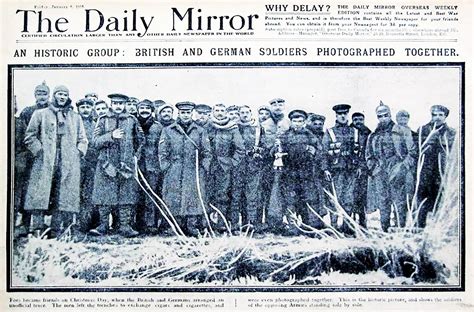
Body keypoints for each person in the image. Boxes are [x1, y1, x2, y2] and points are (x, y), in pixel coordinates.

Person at [24, 85, 88, 237]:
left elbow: (83, 139)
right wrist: (39, 151)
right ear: (54, 95)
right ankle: (37, 229)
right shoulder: (40, 114)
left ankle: (56, 230)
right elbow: (29, 136)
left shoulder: (75, 117)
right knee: (41, 194)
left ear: (67, 97)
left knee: (63, 195)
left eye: (65, 94)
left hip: (68, 162)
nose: (62, 97)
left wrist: (78, 152)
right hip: (45, 160)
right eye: (59, 94)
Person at [90, 93, 144, 237]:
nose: (118, 106)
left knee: (126, 196)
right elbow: (94, 141)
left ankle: (125, 226)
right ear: (111, 104)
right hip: (106, 165)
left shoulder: (132, 120)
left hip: (126, 165)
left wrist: (134, 157)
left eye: (121, 104)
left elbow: (140, 141)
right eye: (115, 103)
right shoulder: (103, 120)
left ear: (125, 105)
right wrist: (111, 136)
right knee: (104, 196)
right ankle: (103, 226)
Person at [159, 102, 211, 236]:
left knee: (193, 198)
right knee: (173, 197)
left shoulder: (200, 131)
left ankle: (191, 225)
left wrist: (203, 169)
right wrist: (166, 167)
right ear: (179, 114)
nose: (185, 115)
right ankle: (176, 226)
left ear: (191, 113)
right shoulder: (168, 130)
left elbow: (207, 153)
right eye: (183, 112)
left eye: (188, 112)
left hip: (193, 170)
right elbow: (162, 151)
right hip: (174, 170)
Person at [365, 103, 416, 232]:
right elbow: (368, 155)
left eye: (385, 115)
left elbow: (412, 152)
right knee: (383, 201)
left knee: (399, 201)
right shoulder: (373, 135)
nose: (383, 119)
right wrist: (374, 168)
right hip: (380, 171)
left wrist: (402, 167)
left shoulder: (401, 131)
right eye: (380, 116)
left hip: (397, 169)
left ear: (390, 115)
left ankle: (400, 228)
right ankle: (385, 229)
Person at [271, 110, 322, 234]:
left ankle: (309, 226)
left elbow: (320, 151)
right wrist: (276, 151)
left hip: (307, 174)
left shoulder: (310, 135)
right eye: (295, 121)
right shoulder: (284, 136)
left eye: (300, 121)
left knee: (309, 199)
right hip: (290, 174)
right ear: (291, 122)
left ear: (304, 122)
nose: (297, 124)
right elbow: (273, 151)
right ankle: (293, 227)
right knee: (290, 201)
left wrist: (314, 150)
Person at [321, 104, 365, 234]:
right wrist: (325, 169)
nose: (342, 116)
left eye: (345, 114)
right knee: (335, 198)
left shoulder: (355, 132)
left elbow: (361, 152)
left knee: (349, 199)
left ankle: (347, 227)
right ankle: (334, 227)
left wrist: (360, 167)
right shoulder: (330, 132)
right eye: (340, 114)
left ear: (348, 115)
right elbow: (323, 152)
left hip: (351, 171)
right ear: (336, 115)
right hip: (336, 171)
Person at [416, 105, 456, 228]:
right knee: (422, 199)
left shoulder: (451, 133)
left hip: (442, 171)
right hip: (425, 171)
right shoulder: (423, 130)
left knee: (440, 199)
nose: (437, 118)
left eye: (440, 115)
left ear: (445, 117)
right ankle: (420, 228)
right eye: (435, 115)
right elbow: (418, 150)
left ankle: (438, 229)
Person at [207, 103, 245, 231]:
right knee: (207, 193)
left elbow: (240, 149)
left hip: (224, 167)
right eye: (217, 110)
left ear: (226, 112)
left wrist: (231, 163)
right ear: (213, 111)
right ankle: (207, 222)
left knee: (223, 194)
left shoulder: (232, 128)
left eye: (222, 110)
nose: (219, 113)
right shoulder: (208, 126)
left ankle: (221, 223)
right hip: (208, 166)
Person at [231, 105, 267, 233]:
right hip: (238, 165)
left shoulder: (258, 128)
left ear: (251, 113)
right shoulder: (234, 127)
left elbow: (264, 144)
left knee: (252, 195)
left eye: (247, 112)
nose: (245, 115)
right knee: (236, 195)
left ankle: (251, 224)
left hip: (253, 165)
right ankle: (234, 225)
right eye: (242, 112)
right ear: (239, 114)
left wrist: (259, 152)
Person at [136, 99, 164, 234]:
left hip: (153, 166)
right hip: (136, 165)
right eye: (142, 108)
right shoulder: (133, 124)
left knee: (151, 195)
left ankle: (150, 224)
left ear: (152, 110)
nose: (144, 110)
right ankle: (137, 223)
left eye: (147, 108)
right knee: (136, 195)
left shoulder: (158, 127)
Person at [76, 98, 100, 232]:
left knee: (90, 194)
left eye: (88, 107)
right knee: (76, 192)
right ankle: (77, 224)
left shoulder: (96, 124)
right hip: (77, 162)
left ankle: (90, 223)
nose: (85, 109)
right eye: (82, 107)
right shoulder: (75, 123)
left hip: (93, 163)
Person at [350, 112, 371, 227]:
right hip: (350, 169)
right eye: (356, 119)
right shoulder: (349, 132)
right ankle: (350, 222)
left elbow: (368, 152)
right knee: (351, 195)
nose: (358, 122)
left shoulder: (367, 133)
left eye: (361, 119)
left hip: (363, 170)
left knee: (362, 196)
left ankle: (362, 221)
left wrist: (363, 166)